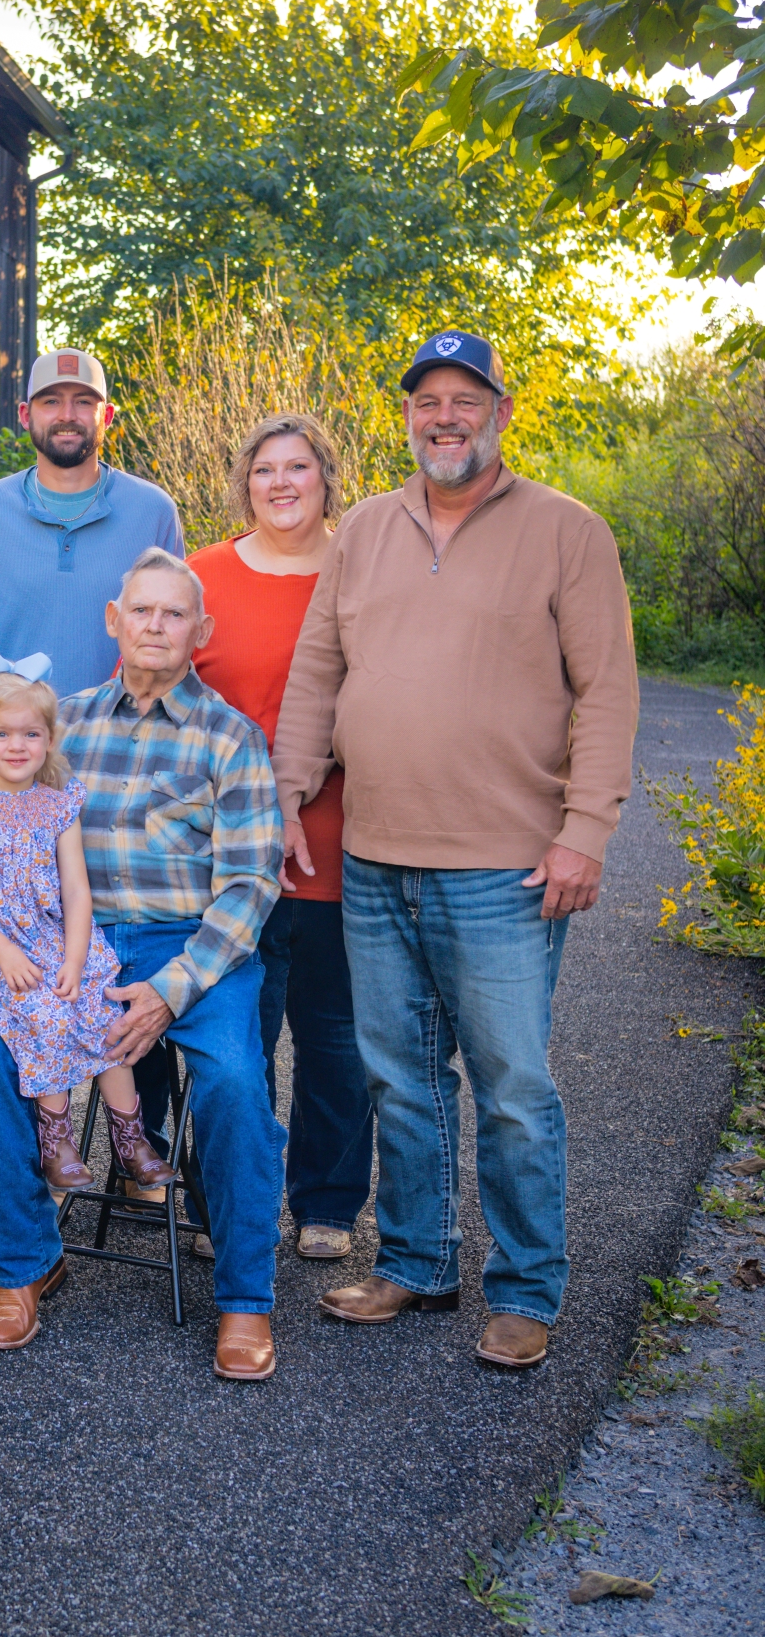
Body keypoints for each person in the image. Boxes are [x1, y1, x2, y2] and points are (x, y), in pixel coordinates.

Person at [272, 330, 639, 1370]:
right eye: (427, 400)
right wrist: (293, 790)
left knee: (512, 1082)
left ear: (500, 413)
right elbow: (316, 673)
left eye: (464, 400)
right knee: (400, 1075)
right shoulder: (366, 533)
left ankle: (525, 1286)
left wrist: (585, 830)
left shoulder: (568, 531)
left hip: (506, 866)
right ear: (406, 417)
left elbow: (606, 691)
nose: (444, 416)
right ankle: (421, 1263)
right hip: (377, 854)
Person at [0, 548, 285, 1379]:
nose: (156, 626)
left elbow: (248, 886)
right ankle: (24, 1266)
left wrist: (171, 990)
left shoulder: (229, 738)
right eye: (142, 611)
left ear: (201, 631)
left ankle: (245, 1299)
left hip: (187, 945)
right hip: (66, 943)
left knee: (235, 1079)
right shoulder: (63, 726)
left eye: (175, 614)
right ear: (113, 622)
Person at [188, 412, 372, 1263]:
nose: (282, 483)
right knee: (238, 1041)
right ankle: (232, 1199)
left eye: (300, 466)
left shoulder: (369, 571)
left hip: (345, 846)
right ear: (245, 484)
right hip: (227, 858)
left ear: (327, 478)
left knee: (335, 1040)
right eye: (266, 469)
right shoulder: (204, 578)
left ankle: (327, 1204)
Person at [0, 672, 175, 1206]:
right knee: (47, 1012)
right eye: (3, 734)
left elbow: (77, 892)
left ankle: (130, 1140)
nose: (17, 746)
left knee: (104, 1009)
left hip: (54, 938)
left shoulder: (58, 805)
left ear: (50, 740)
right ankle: (55, 1141)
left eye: (31, 734)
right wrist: (2, 949)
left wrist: (77, 960)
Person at [0, 348, 182, 699]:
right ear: (25, 415)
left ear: (107, 416)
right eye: (50, 401)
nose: (67, 415)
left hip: (125, 741)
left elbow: (176, 637)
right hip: (13, 746)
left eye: (84, 402)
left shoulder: (152, 511)